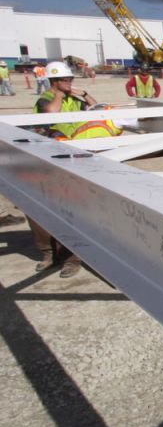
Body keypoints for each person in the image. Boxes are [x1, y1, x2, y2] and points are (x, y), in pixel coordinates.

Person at [31, 61, 97, 277]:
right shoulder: (47, 99)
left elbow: (97, 109)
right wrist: (59, 93)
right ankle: (48, 253)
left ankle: (71, 258)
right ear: (54, 81)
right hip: (46, 156)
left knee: (69, 205)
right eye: (65, 80)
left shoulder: (73, 99)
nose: (69, 83)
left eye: (70, 79)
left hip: (70, 156)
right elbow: (51, 114)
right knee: (35, 207)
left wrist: (84, 94)